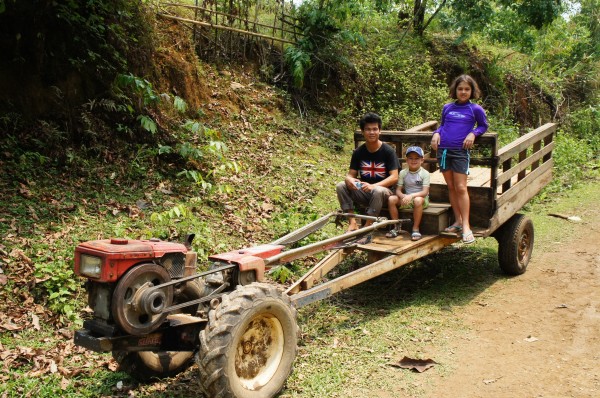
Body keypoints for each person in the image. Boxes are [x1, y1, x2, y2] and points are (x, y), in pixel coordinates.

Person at [430, 74, 488, 244]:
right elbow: (443, 125)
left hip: (460, 152)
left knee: (461, 187)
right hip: (444, 151)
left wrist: (473, 133)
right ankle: (458, 221)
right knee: (451, 187)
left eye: (467, 89)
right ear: (455, 90)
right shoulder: (447, 107)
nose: (463, 92)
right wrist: (436, 133)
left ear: (472, 91)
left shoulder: (475, 109)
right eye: (460, 89)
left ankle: (466, 226)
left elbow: (483, 126)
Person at [336, 112, 399, 237]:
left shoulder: (388, 151)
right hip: (365, 191)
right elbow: (351, 175)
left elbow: (394, 177)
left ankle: (367, 226)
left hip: (386, 193)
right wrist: (349, 179)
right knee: (341, 186)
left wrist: (374, 186)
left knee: (378, 190)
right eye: (368, 129)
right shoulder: (359, 152)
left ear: (379, 131)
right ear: (363, 131)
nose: (372, 132)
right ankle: (352, 222)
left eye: (375, 129)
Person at [386, 146, 430, 241]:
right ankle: (396, 226)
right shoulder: (403, 172)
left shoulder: (425, 173)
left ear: (422, 160)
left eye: (416, 158)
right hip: (407, 197)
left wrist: (411, 196)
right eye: (410, 158)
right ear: (406, 160)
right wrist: (403, 196)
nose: (413, 161)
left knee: (418, 200)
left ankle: (415, 228)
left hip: (421, 198)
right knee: (391, 199)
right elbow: (398, 190)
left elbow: (425, 192)